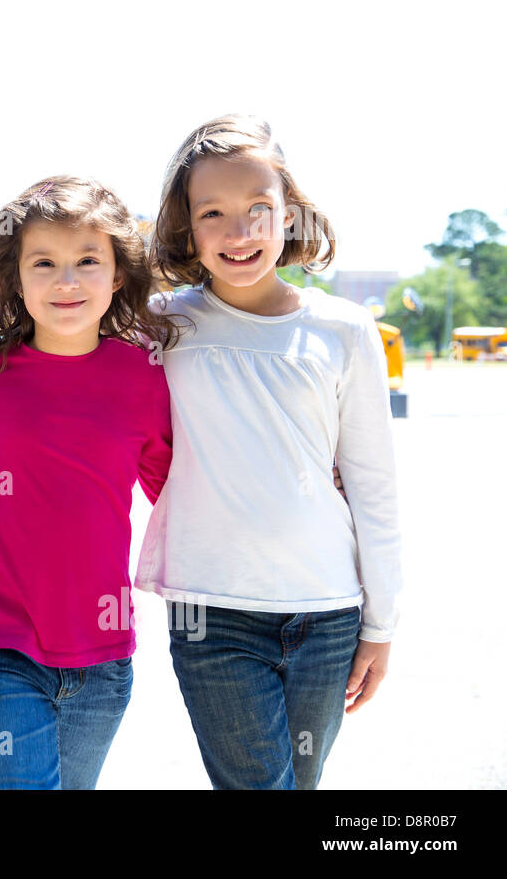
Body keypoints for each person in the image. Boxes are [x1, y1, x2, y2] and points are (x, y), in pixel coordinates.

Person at [136, 114, 401, 789]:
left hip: (329, 612)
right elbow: (61, 320)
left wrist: (381, 623)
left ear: (289, 214)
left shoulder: (344, 329)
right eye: (213, 213)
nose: (239, 230)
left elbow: (374, 485)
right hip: (211, 613)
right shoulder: (161, 323)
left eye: (259, 208)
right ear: (187, 228)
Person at [0, 176, 176, 789]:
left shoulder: (145, 376)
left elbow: (176, 494)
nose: (66, 280)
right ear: (14, 278)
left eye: (87, 262)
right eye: (43, 263)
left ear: (118, 275)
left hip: (102, 647)